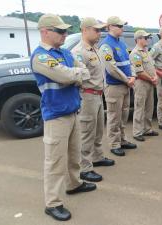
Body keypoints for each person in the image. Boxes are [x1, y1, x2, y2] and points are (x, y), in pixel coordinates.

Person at [31, 14, 96, 221]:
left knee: (74, 155)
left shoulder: (66, 53)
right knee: (55, 162)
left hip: (72, 111)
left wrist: (73, 75)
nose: (64, 34)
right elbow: (66, 76)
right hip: (56, 116)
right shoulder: (41, 56)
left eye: (65, 31)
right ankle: (52, 203)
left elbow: (84, 72)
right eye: (59, 31)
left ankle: (74, 184)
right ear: (45, 32)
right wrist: (74, 75)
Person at [71, 17, 115, 183]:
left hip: (97, 95)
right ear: (85, 30)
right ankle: (85, 168)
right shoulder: (79, 52)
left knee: (98, 131)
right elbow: (78, 76)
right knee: (86, 133)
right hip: (87, 95)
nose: (100, 33)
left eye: (100, 30)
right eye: (96, 30)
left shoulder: (95, 49)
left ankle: (97, 157)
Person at [98, 16, 137, 156]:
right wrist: (127, 80)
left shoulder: (121, 43)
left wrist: (133, 76)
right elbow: (111, 68)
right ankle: (114, 144)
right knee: (114, 116)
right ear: (110, 27)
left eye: (122, 26)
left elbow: (129, 61)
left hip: (126, 84)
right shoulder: (106, 45)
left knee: (124, 114)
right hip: (114, 86)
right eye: (119, 26)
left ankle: (122, 139)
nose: (122, 28)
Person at [130, 30, 159, 142]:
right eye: (145, 38)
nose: (147, 40)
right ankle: (137, 132)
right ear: (139, 39)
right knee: (140, 108)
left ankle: (147, 129)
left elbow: (152, 66)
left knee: (149, 107)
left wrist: (155, 76)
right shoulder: (135, 53)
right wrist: (152, 79)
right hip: (141, 83)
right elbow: (139, 72)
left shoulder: (146, 51)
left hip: (150, 82)